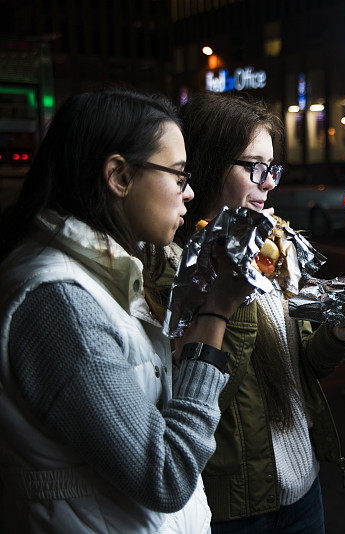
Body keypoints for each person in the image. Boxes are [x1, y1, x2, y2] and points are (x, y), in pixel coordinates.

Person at [0, 89, 251, 533]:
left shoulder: (103, 275)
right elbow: (166, 475)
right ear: (118, 176)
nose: (189, 193)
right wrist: (215, 314)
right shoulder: (61, 302)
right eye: (177, 175)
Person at [171, 91, 345, 533]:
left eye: (272, 168)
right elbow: (198, 401)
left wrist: (340, 336)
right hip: (237, 511)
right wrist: (231, 294)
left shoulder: (272, 247)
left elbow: (303, 362)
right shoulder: (178, 268)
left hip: (303, 490)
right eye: (254, 167)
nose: (269, 182)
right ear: (210, 164)